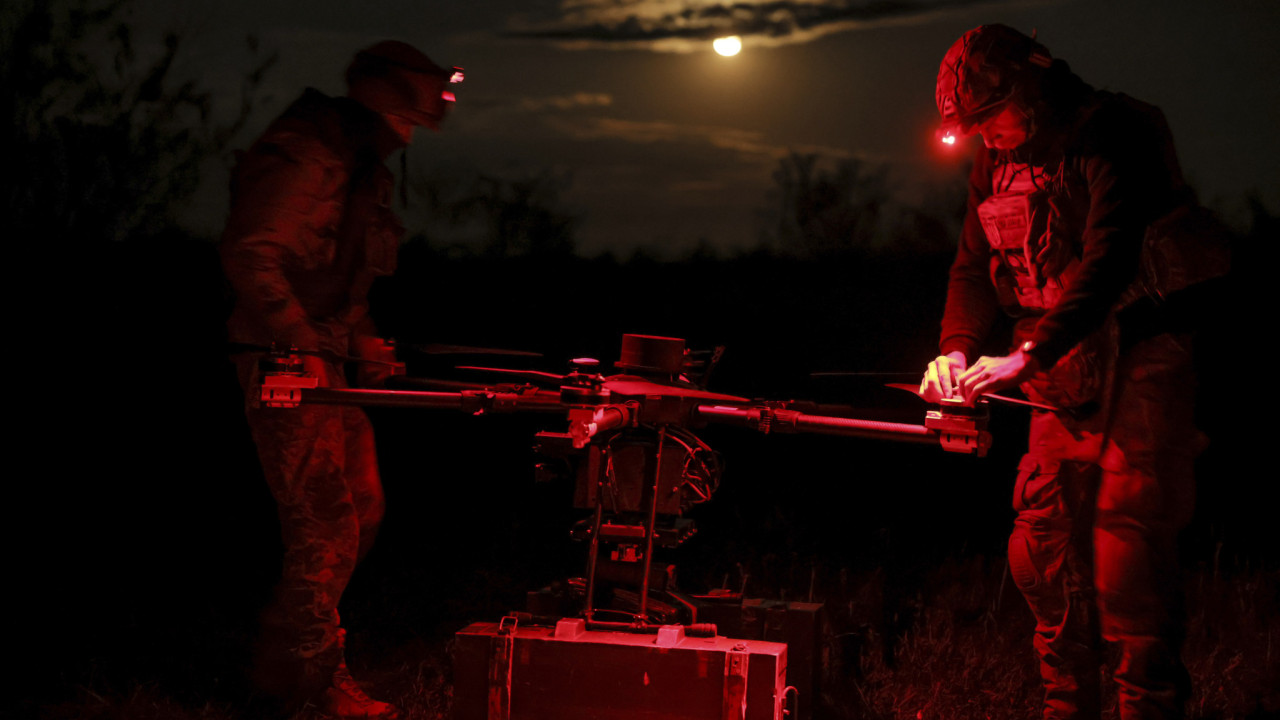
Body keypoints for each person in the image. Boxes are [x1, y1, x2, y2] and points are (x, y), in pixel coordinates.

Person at [919, 25, 1226, 720]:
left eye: (988, 119)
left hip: (1143, 357)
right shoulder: (995, 162)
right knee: (1044, 548)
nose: (983, 138)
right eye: (971, 128)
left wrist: (1026, 357)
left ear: (1028, 90)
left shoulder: (1114, 132)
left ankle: (1147, 707)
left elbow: (1110, 259)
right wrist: (958, 350)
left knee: (1128, 552)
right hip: (1059, 370)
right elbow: (972, 265)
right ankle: (1066, 708)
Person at [221, 40, 459, 719]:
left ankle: (280, 664)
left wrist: (360, 339)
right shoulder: (311, 149)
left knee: (360, 502)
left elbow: (341, 273)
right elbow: (253, 253)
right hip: (280, 356)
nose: (415, 132)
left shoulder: (362, 164)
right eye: (419, 107)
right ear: (390, 98)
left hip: (320, 354)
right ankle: (313, 685)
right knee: (323, 518)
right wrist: (302, 343)